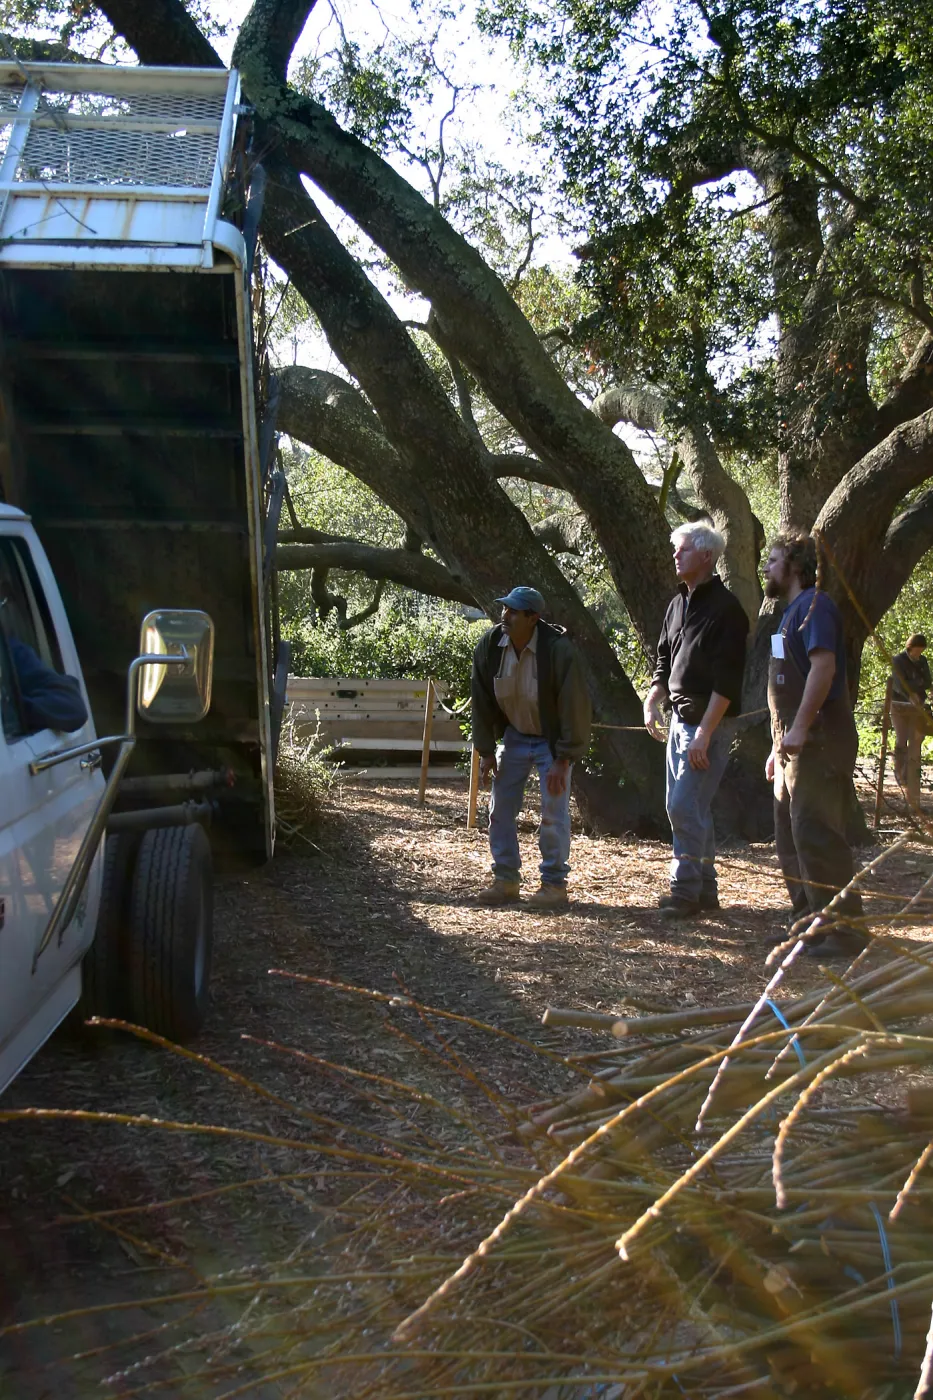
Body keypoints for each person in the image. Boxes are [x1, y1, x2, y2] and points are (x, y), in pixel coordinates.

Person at [762, 531, 865, 958]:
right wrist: (776, 744)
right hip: (788, 745)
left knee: (816, 832)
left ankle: (844, 931)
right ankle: (807, 923)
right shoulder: (785, 617)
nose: (765, 567)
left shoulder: (816, 607)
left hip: (819, 741)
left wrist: (802, 728)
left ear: (796, 564)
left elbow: (824, 667)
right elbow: (782, 682)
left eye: (772, 559)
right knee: (790, 838)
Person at [643, 523, 749, 919]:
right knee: (695, 810)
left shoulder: (727, 610)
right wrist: (654, 697)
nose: (675, 556)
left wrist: (704, 734)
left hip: (709, 726)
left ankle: (685, 892)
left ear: (706, 556)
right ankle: (705, 890)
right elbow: (664, 658)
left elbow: (728, 682)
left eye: (682, 550)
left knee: (682, 806)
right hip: (678, 722)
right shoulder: (677, 604)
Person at [471, 586, 591, 909]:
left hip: (551, 744)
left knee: (553, 814)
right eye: (505, 609)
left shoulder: (558, 651)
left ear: (533, 618)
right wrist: (485, 751)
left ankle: (554, 886)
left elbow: (574, 706)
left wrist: (564, 758)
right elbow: (481, 701)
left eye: (514, 611)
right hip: (514, 736)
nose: (505, 616)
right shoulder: (490, 647)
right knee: (500, 809)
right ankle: (506, 880)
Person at [890, 634, 931, 804]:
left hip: (918, 705)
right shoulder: (898, 660)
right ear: (910, 647)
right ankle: (899, 771)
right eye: (916, 651)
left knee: (918, 737)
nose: (918, 654)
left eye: (921, 651)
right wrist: (913, 689)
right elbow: (899, 684)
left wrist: (917, 685)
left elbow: (927, 681)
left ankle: (911, 773)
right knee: (902, 738)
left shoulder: (922, 661)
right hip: (899, 704)